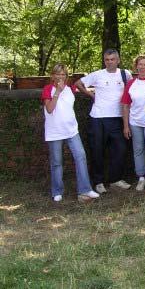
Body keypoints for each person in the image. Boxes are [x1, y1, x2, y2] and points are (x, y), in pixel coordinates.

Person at [75, 49, 132, 194]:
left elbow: (130, 93)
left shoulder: (126, 74)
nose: (110, 62)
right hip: (98, 118)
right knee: (97, 150)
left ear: (118, 60)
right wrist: (91, 95)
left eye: (112, 59)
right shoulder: (97, 74)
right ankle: (98, 182)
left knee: (119, 150)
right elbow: (78, 83)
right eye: (107, 59)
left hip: (118, 118)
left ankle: (116, 179)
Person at [42, 64, 100, 203]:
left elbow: (83, 87)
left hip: (71, 130)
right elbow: (49, 109)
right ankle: (57, 191)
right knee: (57, 162)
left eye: (63, 74)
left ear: (66, 76)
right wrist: (57, 92)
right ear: (53, 76)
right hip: (55, 132)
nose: (60, 77)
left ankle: (85, 189)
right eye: (58, 74)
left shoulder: (70, 89)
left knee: (81, 156)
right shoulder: (48, 89)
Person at [121, 55, 145, 191]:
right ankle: (141, 177)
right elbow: (125, 105)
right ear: (136, 66)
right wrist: (126, 125)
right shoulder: (131, 83)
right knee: (138, 150)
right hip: (135, 122)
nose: (143, 67)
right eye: (140, 64)